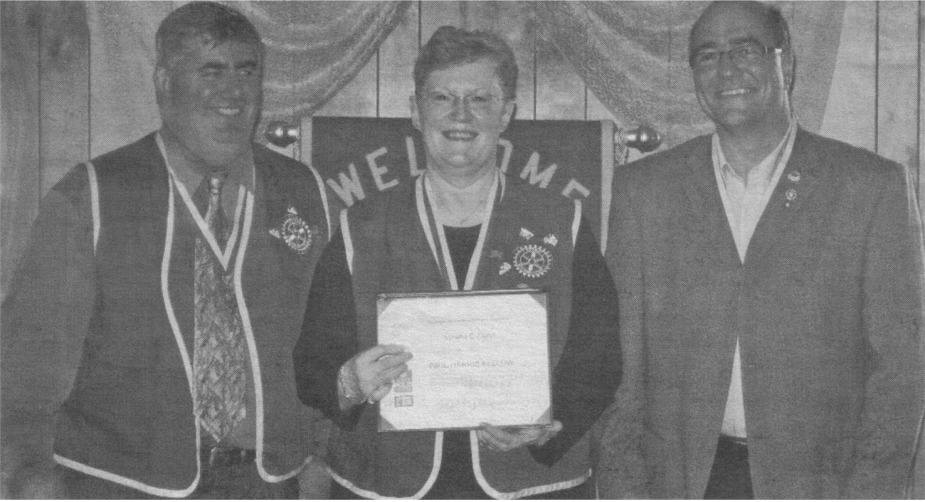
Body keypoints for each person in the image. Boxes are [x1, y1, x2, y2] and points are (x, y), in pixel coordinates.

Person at [0, 2, 333, 498]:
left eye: (247, 71)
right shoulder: (93, 195)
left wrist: (320, 458)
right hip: (118, 482)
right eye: (210, 70)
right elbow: (26, 367)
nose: (234, 92)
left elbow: (326, 349)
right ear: (163, 84)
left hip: (267, 484)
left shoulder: (303, 192)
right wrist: (28, 474)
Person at [600, 1, 925, 498]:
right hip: (681, 483)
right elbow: (621, 367)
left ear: (787, 62)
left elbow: (900, 371)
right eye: (706, 56)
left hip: (820, 486)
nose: (726, 68)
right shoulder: (643, 191)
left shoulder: (869, 187)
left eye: (746, 49)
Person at [293, 26, 622, 499]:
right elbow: (312, 363)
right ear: (415, 110)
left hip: (527, 481)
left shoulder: (561, 219)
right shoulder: (361, 225)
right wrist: (348, 381)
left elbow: (600, 356)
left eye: (480, 99)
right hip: (386, 480)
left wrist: (554, 423)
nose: (460, 115)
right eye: (442, 97)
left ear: (506, 113)